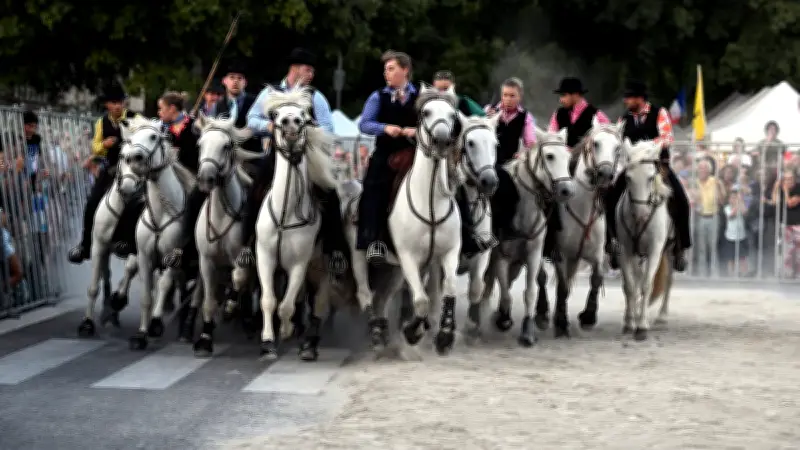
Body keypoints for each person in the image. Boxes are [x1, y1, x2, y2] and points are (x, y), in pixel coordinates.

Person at [357, 51, 486, 264]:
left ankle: (468, 237)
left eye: (391, 69)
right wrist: (385, 127)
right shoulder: (377, 96)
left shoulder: (423, 96)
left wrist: (414, 132)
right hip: (387, 153)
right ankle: (373, 241)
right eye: (385, 70)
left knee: (455, 183)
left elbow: (437, 123)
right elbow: (364, 123)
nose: (386, 74)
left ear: (405, 70)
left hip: (421, 153)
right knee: (373, 187)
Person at [238, 48, 349, 275]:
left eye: (312, 71)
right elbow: (252, 118)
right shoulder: (270, 93)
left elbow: (328, 128)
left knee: (329, 193)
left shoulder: (315, 96)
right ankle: (247, 246)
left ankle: (334, 249)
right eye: (308, 70)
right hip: (275, 154)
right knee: (255, 192)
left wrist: (308, 131)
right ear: (295, 69)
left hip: (307, 156)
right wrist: (268, 127)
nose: (311, 75)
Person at [604, 80, 692, 272]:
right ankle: (612, 244)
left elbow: (667, 138)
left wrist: (646, 148)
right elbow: (618, 143)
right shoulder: (623, 120)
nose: (626, 101)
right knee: (609, 198)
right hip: (632, 168)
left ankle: (680, 247)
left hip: (658, 166)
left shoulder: (659, 113)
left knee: (681, 199)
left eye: (629, 98)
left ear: (639, 99)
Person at [68, 83, 140, 263]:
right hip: (111, 168)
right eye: (113, 102)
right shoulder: (101, 122)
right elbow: (95, 147)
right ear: (107, 105)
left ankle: (130, 241)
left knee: (136, 202)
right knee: (92, 201)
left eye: (120, 102)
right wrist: (104, 145)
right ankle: (85, 245)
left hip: (134, 168)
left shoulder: (135, 118)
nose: (117, 106)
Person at [543, 77, 611, 260]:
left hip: (589, 166)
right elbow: (552, 138)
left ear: (575, 95)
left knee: (609, 196)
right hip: (563, 163)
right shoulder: (558, 115)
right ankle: (551, 242)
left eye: (564, 95)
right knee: (547, 195)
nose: (561, 99)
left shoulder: (597, 115)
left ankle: (610, 242)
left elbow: (607, 139)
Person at [484, 77, 536, 243]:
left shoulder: (525, 117)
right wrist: (486, 119)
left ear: (519, 97)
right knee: (508, 190)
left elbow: (530, 143)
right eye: (505, 95)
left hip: (511, 163)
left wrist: (523, 153)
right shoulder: (489, 112)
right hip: (488, 161)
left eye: (512, 95)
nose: (507, 99)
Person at [158, 92, 204, 268]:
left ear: (172, 108)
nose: (159, 113)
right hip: (168, 175)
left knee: (194, 202)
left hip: (191, 174)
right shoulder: (162, 128)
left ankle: (187, 247)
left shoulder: (194, 126)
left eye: (161, 109)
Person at [212, 60, 259, 153]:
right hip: (224, 155)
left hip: (250, 154)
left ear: (245, 82)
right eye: (232, 77)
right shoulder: (218, 105)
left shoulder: (255, 102)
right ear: (224, 81)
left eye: (240, 78)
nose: (235, 81)